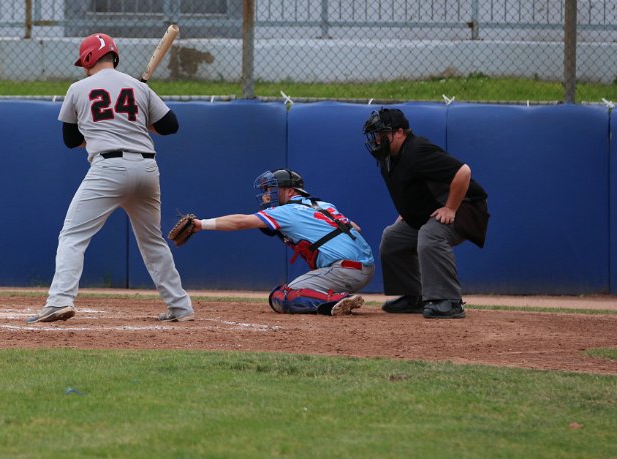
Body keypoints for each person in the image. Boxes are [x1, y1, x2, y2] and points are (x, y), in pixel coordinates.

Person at [27, 33, 195, 323]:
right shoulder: (138, 87)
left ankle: (59, 301)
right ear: (114, 56)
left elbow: (71, 140)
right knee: (152, 242)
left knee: (73, 236)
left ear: (89, 58)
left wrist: (99, 128)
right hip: (147, 169)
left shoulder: (78, 88)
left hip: (109, 168)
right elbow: (170, 126)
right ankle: (180, 307)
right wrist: (140, 119)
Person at [182, 169, 374, 316]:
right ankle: (338, 298)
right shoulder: (323, 205)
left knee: (284, 295)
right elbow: (355, 228)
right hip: (364, 267)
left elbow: (241, 222)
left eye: (272, 189)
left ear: (290, 191)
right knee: (290, 292)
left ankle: (338, 300)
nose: (267, 194)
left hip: (344, 270)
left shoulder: (285, 211)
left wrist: (201, 224)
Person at [362, 107, 489, 319]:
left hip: (467, 207)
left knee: (430, 235)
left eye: (383, 133)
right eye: (376, 135)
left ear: (400, 132)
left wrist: (451, 207)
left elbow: (463, 172)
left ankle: (450, 301)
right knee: (393, 239)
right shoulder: (388, 157)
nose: (377, 139)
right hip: (432, 210)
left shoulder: (417, 151)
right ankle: (414, 296)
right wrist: (409, 212)